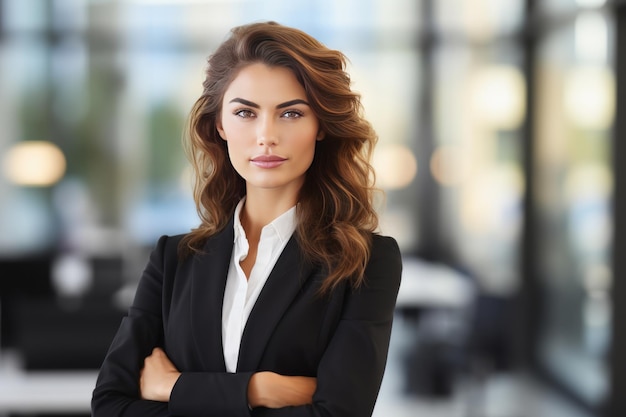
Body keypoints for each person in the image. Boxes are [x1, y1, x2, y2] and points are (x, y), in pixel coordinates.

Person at [91, 21, 402, 417]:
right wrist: (261, 389)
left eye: (290, 113)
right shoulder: (174, 260)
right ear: (220, 124)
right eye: (245, 113)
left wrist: (176, 388)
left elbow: (338, 413)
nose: (266, 135)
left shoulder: (366, 261)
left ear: (319, 126)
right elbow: (110, 406)